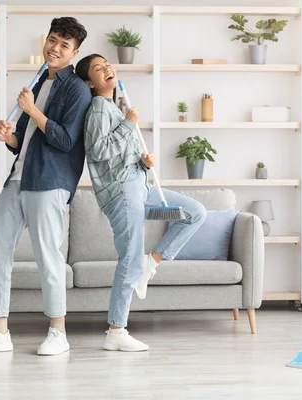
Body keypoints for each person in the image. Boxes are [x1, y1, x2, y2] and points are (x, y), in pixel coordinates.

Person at [0, 17, 92, 356]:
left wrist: (32, 110)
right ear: (44, 41)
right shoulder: (36, 83)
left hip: (49, 182)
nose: (56, 48)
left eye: (65, 45)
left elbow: (65, 140)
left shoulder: (76, 88)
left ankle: (58, 333)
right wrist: (8, 135)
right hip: (18, 179)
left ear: (74, 52)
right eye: (53, 40)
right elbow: (23, 141)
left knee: (48, 258)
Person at [75, 54, 207, 352]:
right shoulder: (98, 110)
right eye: (98, 69)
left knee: (194, 213)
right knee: (129, 259)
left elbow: (121, 158)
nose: (106, 68)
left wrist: (144, 162)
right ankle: (116, 331)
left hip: (141, 188)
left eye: (107, 64)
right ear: (89, 83)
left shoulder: (114, 107)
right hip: (122, 194)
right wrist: (128, 125)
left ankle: (152, 262)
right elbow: (97, 152)